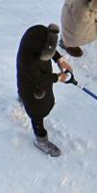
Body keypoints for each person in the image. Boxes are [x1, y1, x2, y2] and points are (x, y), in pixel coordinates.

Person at [16, 24, 73, 157]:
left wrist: (59, 59)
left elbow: (47, 46)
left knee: (22, 87)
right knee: (37, 113)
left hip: (29, 78)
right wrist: (58, 77)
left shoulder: (36, 38)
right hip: (34, 88)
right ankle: (41, 140)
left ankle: (21, 96)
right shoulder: (28, 63)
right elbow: (39, 80)